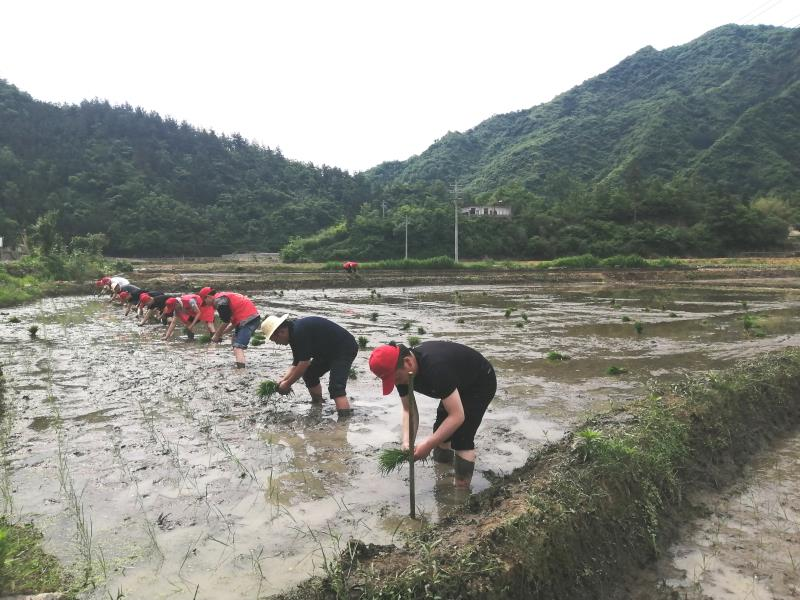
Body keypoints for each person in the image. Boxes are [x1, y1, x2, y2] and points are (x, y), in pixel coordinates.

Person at [368, 340, 496, 487]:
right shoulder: (400, 373)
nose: (397, 383)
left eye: (396, 379)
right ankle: (443, 481)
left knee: (462, 438)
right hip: (453, 383)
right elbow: (408, 409)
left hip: (478, 382)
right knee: (441, 434)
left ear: (408, 362)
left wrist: (428, 445)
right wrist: (406, 441)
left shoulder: (435, 368)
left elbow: (457, 416)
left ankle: (461, 492)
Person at [260, 314, 357, 417]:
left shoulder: (299, 332)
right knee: (310, 374)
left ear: (280, 332)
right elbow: (296, 363)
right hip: (327, 351)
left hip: (344, 348)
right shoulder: (293, 332)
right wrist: (283, 380)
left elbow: (303, 364)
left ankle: (344, 422)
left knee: (336, 388)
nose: (276, 343)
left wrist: (287, 384)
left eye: (274, 340)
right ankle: (318, 403)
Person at [208, 291, 261, 368]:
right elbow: (232, 324)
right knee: (234, 340)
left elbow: (226, 321)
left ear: (208, 297)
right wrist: (222, 333)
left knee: (238, 347)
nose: (205, 304)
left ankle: (240, 372)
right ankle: (238, 362)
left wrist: (216, 335)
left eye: (204, 300)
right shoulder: (225, 297)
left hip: (248, 320)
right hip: (252, 318)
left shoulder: (219, 301)